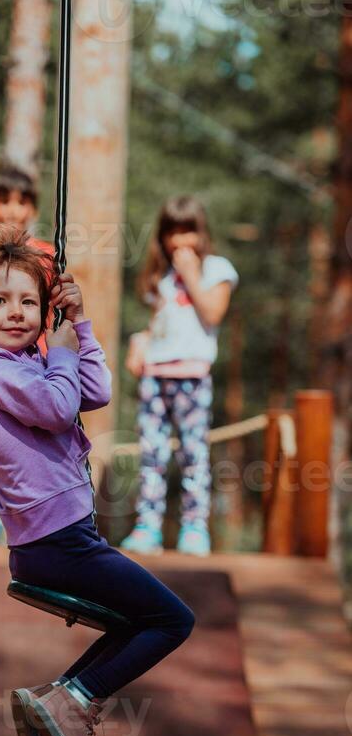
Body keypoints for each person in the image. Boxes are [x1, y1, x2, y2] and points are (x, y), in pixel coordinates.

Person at [0, 225, 195, 736]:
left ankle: (59, 702)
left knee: (139, 621)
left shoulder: (27, 361)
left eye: (29, 302)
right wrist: (56, 350)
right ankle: (75, 701)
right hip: (54, 545)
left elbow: (96, 391)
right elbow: (60, 408)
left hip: (63, 538)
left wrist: (78, 325)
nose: (16, 313)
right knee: (173, 620)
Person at [122, 195, 239, 557]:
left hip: (192, 375)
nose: (180, 241)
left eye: (188, 231)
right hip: (155, 375)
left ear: (201, 232)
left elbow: (213, 314)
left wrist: (191, 275)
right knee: (152, 454)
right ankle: (147, 526)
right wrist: (139, 343)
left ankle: (193, 527)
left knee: (193, 453)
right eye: (173, 232)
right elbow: (161, 325)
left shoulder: (217, 269)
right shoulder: (161, 277)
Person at [0, 166, 54, 545]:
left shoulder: (47, 256)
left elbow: (54, 313)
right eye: (4, 201)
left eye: (21, 203)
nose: (12, 211)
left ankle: (39, 518)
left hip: (37, 364)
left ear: (32, 208)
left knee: (38, 445)